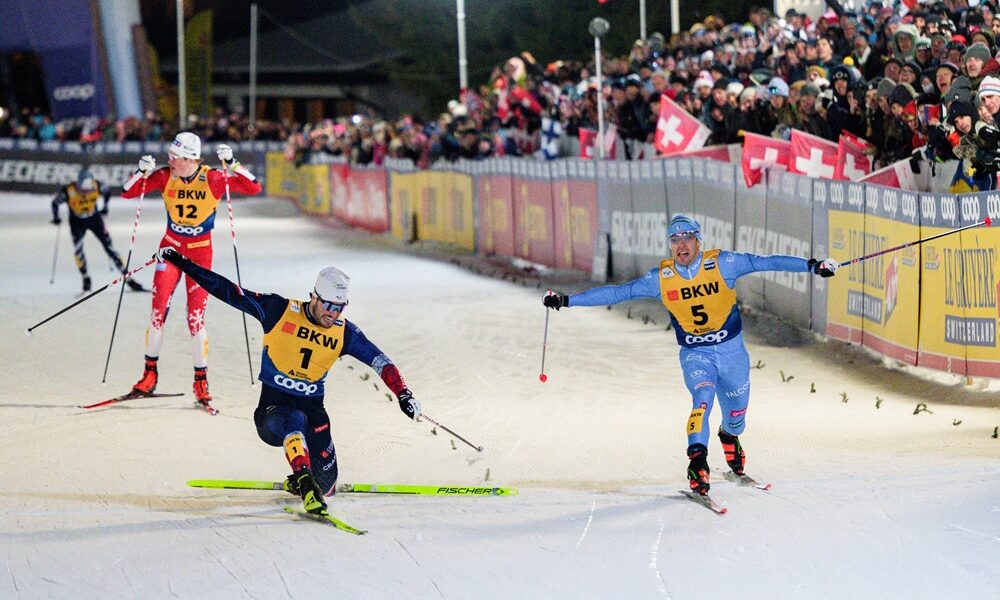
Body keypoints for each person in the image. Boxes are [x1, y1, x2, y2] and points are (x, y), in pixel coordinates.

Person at [543, 215, 839, 496]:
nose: (681, 244)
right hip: (696, 354)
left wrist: (814, 266)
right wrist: (566, 300)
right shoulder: (661, 278)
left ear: (699, 240)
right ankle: (697, 461)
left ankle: (729, 435)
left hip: (731, 351)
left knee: (737, 415)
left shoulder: (724, 263)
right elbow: (617, 293)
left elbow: (768, 262)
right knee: (703, 398)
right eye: (674, 239)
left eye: (687, 237)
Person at [155, 246, 422, 514]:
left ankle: (308, 479)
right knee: (293, 417)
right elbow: (229, 292)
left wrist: (403, 393)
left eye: (339, 307)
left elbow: (380, 360)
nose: (332, 313)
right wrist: (183, 264)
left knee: (327, 484)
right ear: (313, 297)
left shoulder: (344, 332)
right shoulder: (278, 310)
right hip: (272, 414)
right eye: (328, 305)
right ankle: (304, 480)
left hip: (314, 415)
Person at [120, 132, 263, 408]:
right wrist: (140, 171)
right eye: (170, 156)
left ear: (191, 158)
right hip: (171, 249)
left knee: (195, 317)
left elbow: (254, 187)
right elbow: (127, 193)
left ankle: (201, 380)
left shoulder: (212, 178)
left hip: (200, 252)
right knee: (157, 311)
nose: (170, 161)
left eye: (176, 158)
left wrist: (233, 163)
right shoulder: (164, 176)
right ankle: (149, 374)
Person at [50, 168, 146, 294]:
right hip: (76, 222)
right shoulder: (69, 191)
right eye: (82, 189)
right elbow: (55, 203)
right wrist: (56, 217)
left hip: (95, 219)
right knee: (78, 250)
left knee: (109, 247)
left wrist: (105, 207)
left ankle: (128, 278)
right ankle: (86, 280)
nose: (85, 192)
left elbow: (107, 192)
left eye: (87, 190)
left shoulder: (97, 185)